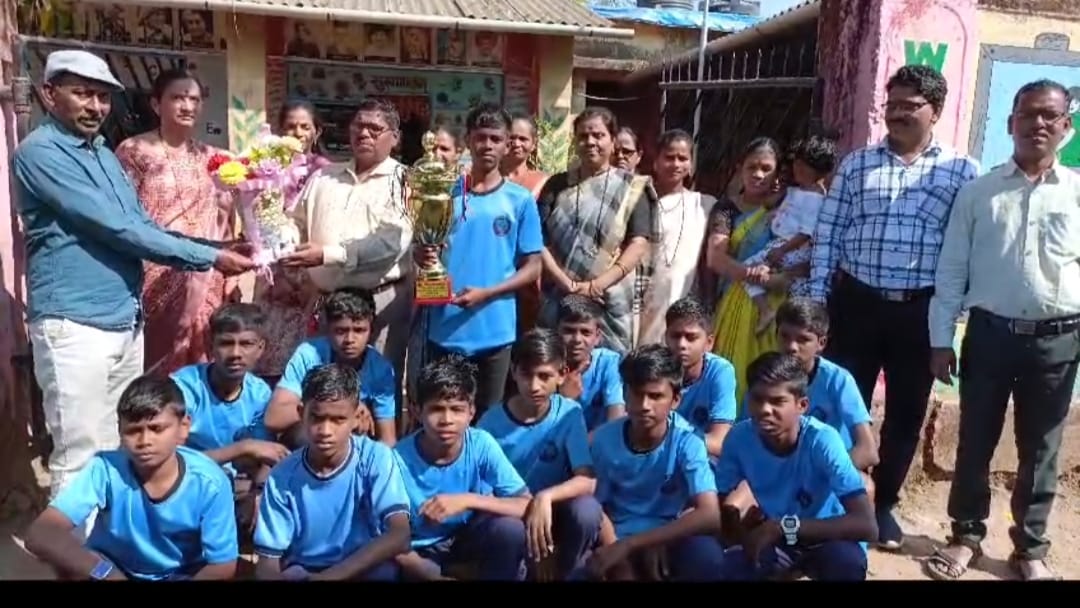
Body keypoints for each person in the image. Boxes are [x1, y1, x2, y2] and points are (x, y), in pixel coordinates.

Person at [12, 50, 253, 501]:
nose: (95, 107)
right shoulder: (41, 153)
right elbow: (117, 228)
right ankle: (72, 543)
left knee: (119, 443)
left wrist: (217, 248)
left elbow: (141, 223)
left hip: (124, 320)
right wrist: (209, 257)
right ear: (49, 94)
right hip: (74, 322)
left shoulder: (103, 153)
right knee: (79, 452)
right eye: (82, 93)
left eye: (103, 97)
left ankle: (108, 535)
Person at [808, 65, 980, 550]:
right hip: (855, 304)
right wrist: (818, 301)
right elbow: (829, 233)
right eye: (893, 105)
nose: (898, 114)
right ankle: (837, 499)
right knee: (841, 406)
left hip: (918, 313)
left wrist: (951, 320)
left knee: (906, 414)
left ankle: (883, 504)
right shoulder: (856, 164)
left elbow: (967, 250)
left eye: (910, 106)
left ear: (936, 111)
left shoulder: (962, 172)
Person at [925, 80, 1079, 582]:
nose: (1039, 123)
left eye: (1050, 116)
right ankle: (965, 537)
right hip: (990, 336)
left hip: (1058, 340)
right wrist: (940, 338)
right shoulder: (979, 192)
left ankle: (1029, 549)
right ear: (1011, 123)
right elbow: (952, 269)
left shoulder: (1077, 192)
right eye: (1029, 114)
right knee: (975, 440)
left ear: (1066, 126)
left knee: (1042, 449)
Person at [279, 98, 415, 427]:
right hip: (324, 301)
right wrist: (284, 243)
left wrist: (327, 255)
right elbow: (294, 220)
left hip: (380, 303)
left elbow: (391, 243)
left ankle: (381, 453)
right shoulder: (324, 177)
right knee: (321, 388)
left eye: (375, 128)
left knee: (376, 396)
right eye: (358, 126)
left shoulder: (406, 181)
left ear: (395, 138)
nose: (364, 134)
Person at [23, 375, 239, 580]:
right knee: (70, 563)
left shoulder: (210, 483)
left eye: (156, 429)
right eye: (133, 431)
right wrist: (106, 574)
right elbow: (41, 533)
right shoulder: (105, 469)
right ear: (119, 430)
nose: (144, 441)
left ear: (183, 427)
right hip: (112, 569)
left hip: (179, 574)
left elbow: (223, 565)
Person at [415, 103, 543, 417]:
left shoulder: (520, 200)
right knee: (443, 416)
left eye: (495, 139)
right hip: (443, 330)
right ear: (468, 142)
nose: (487, 145)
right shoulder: (441, 193)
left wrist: (488, 293)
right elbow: (423, 250)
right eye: (480, 137)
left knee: (488, 420)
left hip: (495, 332)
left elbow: (533, 267)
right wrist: (423, 254)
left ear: (507, 144)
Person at [713, 352, 878, 581]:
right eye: (757, 399)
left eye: (777, 401)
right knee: (730, 567)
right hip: (779, 540)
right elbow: (722, 505)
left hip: (827, 538)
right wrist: (743, 534)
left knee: (846, 563)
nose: (765, 409)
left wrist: (785, 526)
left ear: (802, 405)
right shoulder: (739, 439)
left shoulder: (822, 441)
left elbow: (867, 525)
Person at [115, 68, 237, 376]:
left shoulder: (214, 158)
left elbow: (226, 219)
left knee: (203, 359)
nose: (187, 106)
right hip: (155, 272)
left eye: (194, 99)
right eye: (178, 98)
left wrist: (230, 273)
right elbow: (123, 216)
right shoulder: (134, 152)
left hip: (206, 274)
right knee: (155, 364)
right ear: (156, 104)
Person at [253, 364, 412, 581]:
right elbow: (268, 563)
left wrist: (331, 577)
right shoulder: (282, 476)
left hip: (363, 566)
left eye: (338, 420)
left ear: (356, 417)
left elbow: (399, 534)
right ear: (301, 413)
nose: (325, 431)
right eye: (317, 418)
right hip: (305, 571)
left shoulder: (375, 458)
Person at [586, 344, 724, 581]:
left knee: (707, 555)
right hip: (613, 537)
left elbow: (711, 515)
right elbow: (597, 507)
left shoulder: (687, 441)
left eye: (656, 396)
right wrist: (618, 553)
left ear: (675, 399)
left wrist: (637, 543)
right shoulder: (603, 440)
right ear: (625, 394)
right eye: (637, 394)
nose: (644, 406)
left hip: (667, 539)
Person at [477, 329, 601, 580]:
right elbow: (483, 492)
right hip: (510, 516)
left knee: (587, 510)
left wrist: (545, 497)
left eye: (544, 376)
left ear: (562, 374)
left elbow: (587, 480)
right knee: (508, 530)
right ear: (513, 372)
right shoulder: (490, 423)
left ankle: (567, 572)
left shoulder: (569, 413)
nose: (534, 386)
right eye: (526, 374)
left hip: (554, 512)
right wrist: (530, 515)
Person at [393, 355, 531, 581]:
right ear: (417, 411)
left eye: (457, 409)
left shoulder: (480, 443)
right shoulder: (396, 460)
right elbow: (381, 533)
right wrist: (427, 573)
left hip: (468, 539)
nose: (447, 420)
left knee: (510, 529)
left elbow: (526, 504)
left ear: (471, 413)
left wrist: (466, 500)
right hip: (419, 550)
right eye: (436, 409)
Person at [536, 107, 653, 354]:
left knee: (608, 364)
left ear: (613, 141)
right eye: (583, 136)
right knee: (554, 360)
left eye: (598, 135)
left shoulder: (631, 187)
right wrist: (566, 283)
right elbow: (538, 240)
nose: (590, 142)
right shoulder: (557, 185)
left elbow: (639, 242)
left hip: (609, 298)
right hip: (558, 294)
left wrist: (597, 285)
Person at [170, 303, 286, 535]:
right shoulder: (184, 387)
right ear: (210, 345)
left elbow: (265, 455)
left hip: (237, 486)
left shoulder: (260, 393)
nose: (235, 354)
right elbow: (167, 459)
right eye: (226, 343)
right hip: (188, 483)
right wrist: (244, 447)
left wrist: (257, 490)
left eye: (246, 344)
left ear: (261, 348)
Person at [704, 137, 797, 407]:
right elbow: (715, 259)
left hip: (778, 304)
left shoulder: (788, 207)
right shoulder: (727, 209)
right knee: (733, 375)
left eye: (766, 168)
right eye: (751, 167)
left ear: (777, 173)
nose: (758, 174)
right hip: (736, 301)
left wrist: (780, 279)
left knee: (775, 378)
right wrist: (756, 276)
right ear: (740, 169)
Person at [254, 100, 331, 385]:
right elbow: (256, 219)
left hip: (308, 272)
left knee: (304, 352)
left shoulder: (326, 173)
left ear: (317, 132)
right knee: (266, 346)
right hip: (272, 271)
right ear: (279, 131)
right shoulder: (265, 169)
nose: (298, 133)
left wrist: (302, 279)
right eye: (290, 126)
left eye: (304, 126)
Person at [264, 288, 395, 446]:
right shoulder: (309, 354)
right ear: (327, 329)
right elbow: (274, 418)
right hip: (310, 442)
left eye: (359, 330)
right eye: (340, 331)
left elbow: (388, 439)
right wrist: (344, 408)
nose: (349, 339)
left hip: (356, 444)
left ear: (371, 330)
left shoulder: (381, 369)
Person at [773, 298, 879, 485]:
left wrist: (818, 480)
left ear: (821, 343)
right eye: (785, 336)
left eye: (803, 339)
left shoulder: (838, 380)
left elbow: (868, 451)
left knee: (865, 485)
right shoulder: (767, 377)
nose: (791, 347)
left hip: (825, 474)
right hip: (778, 471)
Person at [639, 129, 718, 346]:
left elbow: (709, 261)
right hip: (643, 296)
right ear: (656, 161)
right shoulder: (640, 200)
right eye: (669, 157)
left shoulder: (704, 204)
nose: (676, 164)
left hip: (684, 296)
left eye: (683, 158)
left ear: (691, 164)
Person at [741, 186, 824, 334]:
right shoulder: (791, 194)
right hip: (749, 299)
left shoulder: (813, 198)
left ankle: (766, 309)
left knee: (747, 270)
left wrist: (781, 255)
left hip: (789, 258)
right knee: (746, 271)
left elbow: (806, 233)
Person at [664, 297, 737, 458]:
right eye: (675, 336)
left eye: (691, 338)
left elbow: (720, 442)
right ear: (665, 337)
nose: (682, 345)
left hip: (700, 457)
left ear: (709, 343)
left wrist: (672, 439)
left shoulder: (720, 371)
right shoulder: (654, 369)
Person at [502, 114, 549, 337]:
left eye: (523, 139)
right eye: (511, 137)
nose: (516, 144)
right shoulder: (483, 180)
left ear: (533, 143)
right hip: (496, 271)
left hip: (531, 276)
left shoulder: (545, 182)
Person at [554, 295, 625, 434]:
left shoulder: (607, 362)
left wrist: (580, 443)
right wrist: (565, 400)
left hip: (598, 442)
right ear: (557, 332)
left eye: (585, 332)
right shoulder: (547, 365)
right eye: (569, 331)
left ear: (597, 337)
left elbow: (615, 420)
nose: (577, 339)